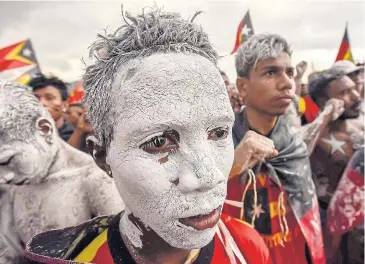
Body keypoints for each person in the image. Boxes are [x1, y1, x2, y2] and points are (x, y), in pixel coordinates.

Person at [24, 8, 271, 264]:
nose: (208, 177)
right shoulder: (74, 257)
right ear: (102, 157)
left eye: (218, 133)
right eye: (158, 142)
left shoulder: (245, 246)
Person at [223, 33, 325, 264]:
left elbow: (309, 219)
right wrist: (231, 166)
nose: (287, 82)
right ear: (243, 87)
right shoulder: (218, 143)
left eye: (290, 72)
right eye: (271, 72)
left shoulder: (293, 145)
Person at [0, 82, 124, 263]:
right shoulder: (13, 188)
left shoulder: (95, 180)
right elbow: (10, 255)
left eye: (8, 161)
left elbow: (128, 254)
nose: (3, 176)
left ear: (44, 129)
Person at [307, 70, 364, 263]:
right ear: (325, 102)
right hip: (332, 237)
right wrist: (324, 117)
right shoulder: (312, 139)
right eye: (344, 93)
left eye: (354, 89)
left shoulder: (361, 129)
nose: (356, 96)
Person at [29, 75, 93, 148]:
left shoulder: (78, 136)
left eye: (49, 98)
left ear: (65, 105)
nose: (41, 103)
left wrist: (79, 131)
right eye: (35, 98)